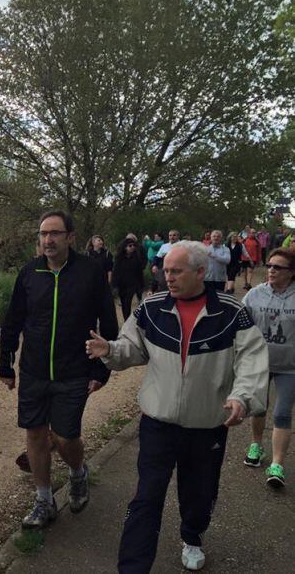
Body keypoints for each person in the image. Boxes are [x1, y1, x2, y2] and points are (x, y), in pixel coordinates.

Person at [86, 241, 268, 572]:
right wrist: (110, 349)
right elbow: (133, 349)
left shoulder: (231, 313)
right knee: (146, 498)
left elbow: (252, 360)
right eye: (165, 270)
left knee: (199, 492)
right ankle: (133, 566)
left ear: (201, 272)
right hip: (158, 422)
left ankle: (192, 536)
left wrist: (242, 397)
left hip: (207, 424)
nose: (167, 277)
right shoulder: (150, 309)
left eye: (176, 271)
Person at [0, 210, 118, 530]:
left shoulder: (90, 272)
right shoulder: (29, 272)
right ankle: (43, 499)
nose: (47, 239)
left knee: (66, 438)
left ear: (70, 237)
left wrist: (104, 367)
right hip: (34, 370)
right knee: (35, 434)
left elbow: (108, 322)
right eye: (42, 234)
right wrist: (5, 362)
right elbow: (13, 320)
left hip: (74, 369)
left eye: (54, 233)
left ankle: (78, 474)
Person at [242, 248, 295, 487]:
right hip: (260, 363)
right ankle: (256, 445)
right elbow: (240, 325)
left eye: (278, 267)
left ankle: (277, 465)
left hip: (290, 367)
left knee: (282, 413)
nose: (271, 270)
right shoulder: (255, 295)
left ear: (291, 273)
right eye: (270, 265)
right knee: (259, 408)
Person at [112, 237, 146, 320]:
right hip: (122, 285)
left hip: (132, 284)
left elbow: (139, 272)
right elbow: (115, 272)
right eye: (130, 246)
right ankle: (126, 319)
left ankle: (129, 320)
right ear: (125, 247)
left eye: (133, 245)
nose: (132, 247)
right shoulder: (119, 258)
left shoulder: (136, 258)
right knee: (124, 304)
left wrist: (141, 285)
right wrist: (114, 285)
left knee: (128, 301)